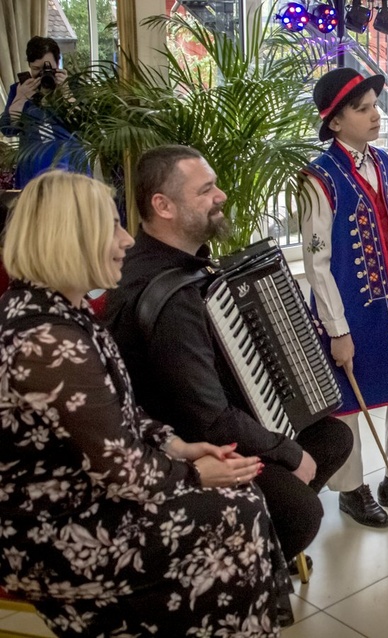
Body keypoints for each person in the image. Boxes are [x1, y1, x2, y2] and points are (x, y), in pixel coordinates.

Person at [0, 170, 287, 636]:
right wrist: (195, 473)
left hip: (82, 497)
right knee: (237, 511)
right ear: (69, 239)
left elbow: (120, 411)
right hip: (50, 531)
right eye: (112, 226)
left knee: (242, 499)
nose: (127, 240)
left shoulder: (62, 311)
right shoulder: (48, 342)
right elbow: (120, 469)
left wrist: (177, 446)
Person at [104, 145, 353, 570]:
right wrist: (286, 452)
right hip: (186, 448)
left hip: (206, 425)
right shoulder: (168, 296)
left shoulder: (180, 268)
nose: (220, 196)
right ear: (163, 206)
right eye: (205, 190)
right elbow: (209, 419)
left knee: (332, 436)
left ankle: (261, 546)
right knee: (301, 510)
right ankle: (253, 566)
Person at [300, 68, 388, 528]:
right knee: (348, 400)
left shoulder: (383, 163)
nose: (375, 115)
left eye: (375, 106)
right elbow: (317, 263)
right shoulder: (318, 179)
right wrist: (337, 330)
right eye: (363, 109)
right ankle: (351, 489)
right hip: (347, 310)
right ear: (335, 121)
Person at [0, 37, 83, 189]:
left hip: (69, 166)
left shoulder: (73, 86)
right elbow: (8, 130)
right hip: (32, 167)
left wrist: (67, 94)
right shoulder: (20, 89)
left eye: (48, 68)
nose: (42, 74)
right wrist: (20, 99)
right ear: (29, 66)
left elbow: (84, 125)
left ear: (58, 63)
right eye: (36, 69)